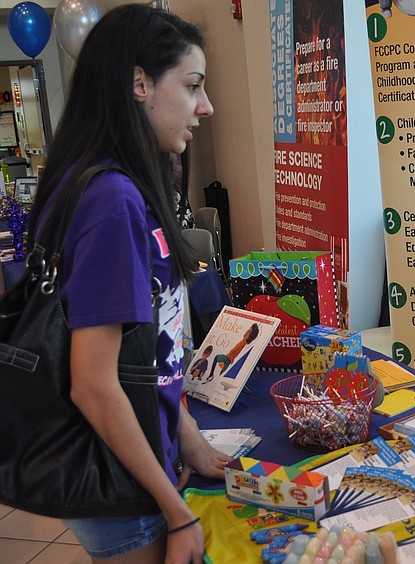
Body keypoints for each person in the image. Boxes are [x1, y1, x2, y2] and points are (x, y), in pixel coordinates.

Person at [27, 5, 230, 562]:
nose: (205, 107)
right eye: (192, 86)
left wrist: (187, 437)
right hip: (120, 481)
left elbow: (149, 348)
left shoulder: (114, 185)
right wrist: (177, 509)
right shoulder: (111, 199)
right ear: (139, 82)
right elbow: (93, 384)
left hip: (141, 458)